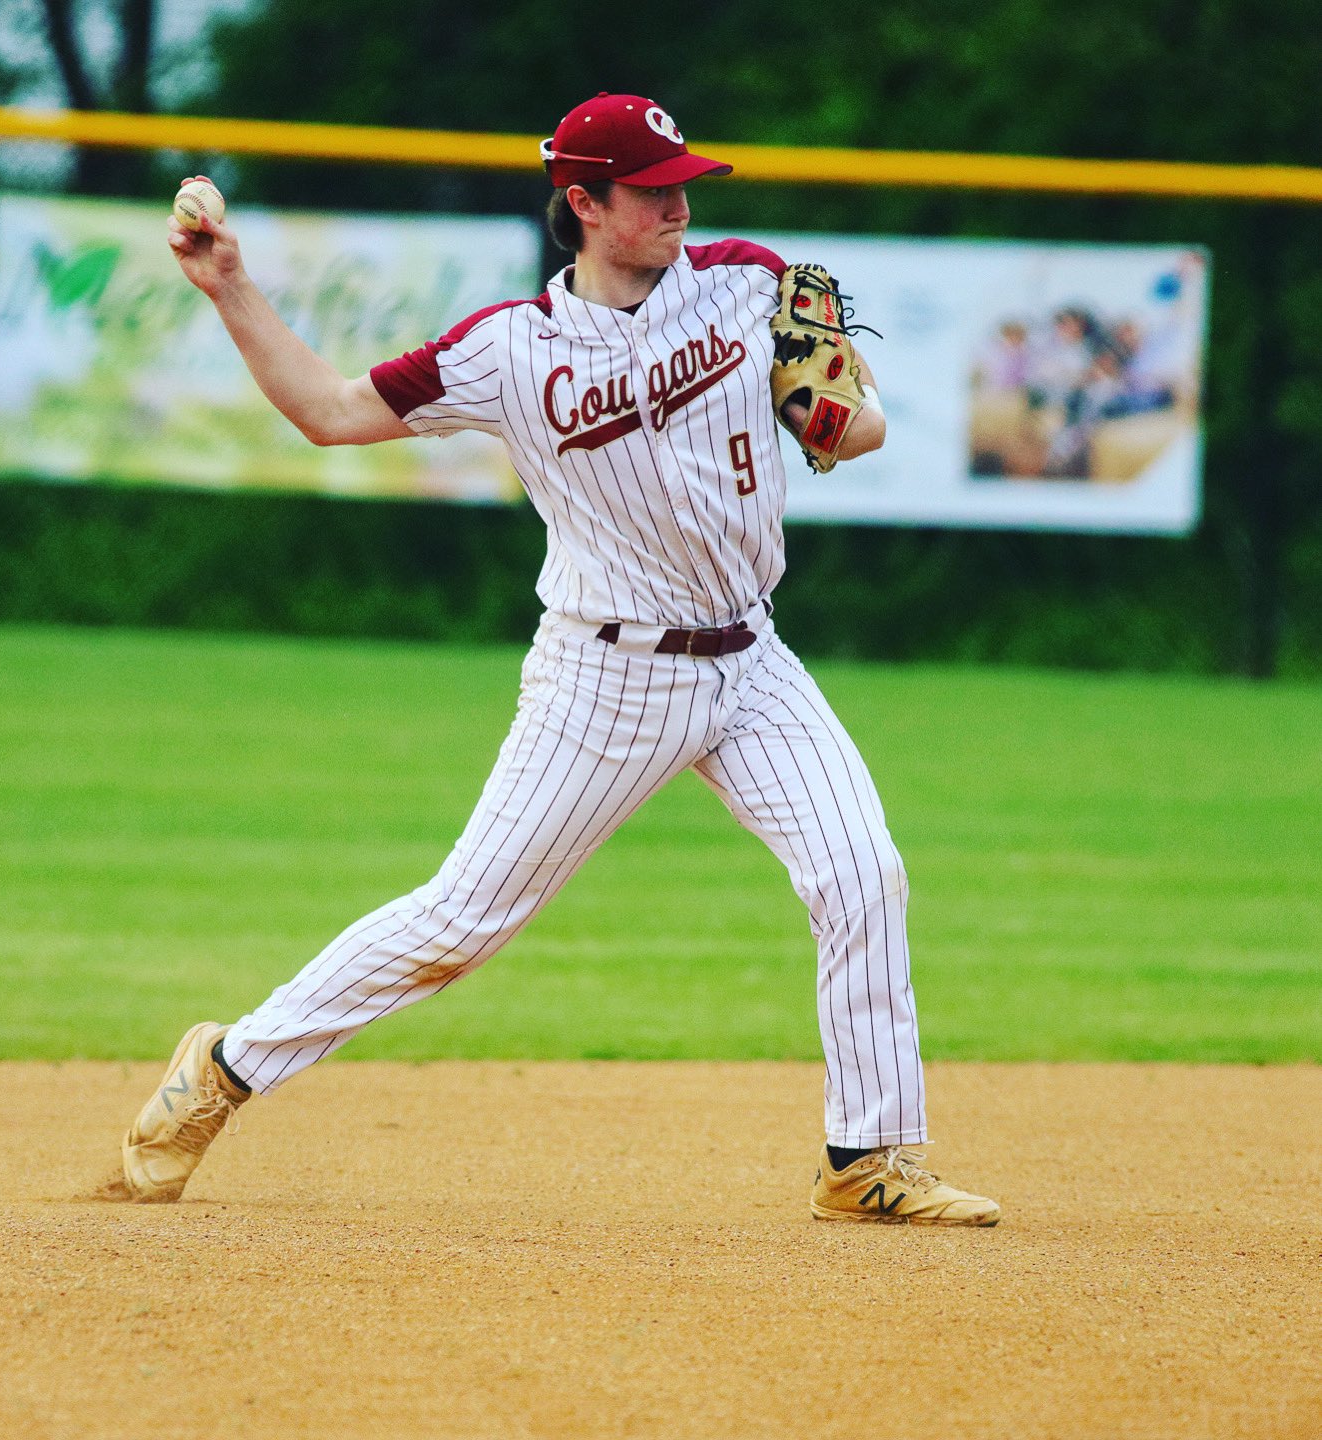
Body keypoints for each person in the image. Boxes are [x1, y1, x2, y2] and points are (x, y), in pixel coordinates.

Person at [105, 93, 1000, 1227]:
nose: (679, 206)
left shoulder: (746, 282)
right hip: (605, 679)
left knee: (862, 873)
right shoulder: (505, 350)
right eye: (652, 191)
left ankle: (865, 1159)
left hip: (753, 661)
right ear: (583, 202)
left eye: (684, 185)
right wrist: (229, 285)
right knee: (457, 925)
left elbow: (850, 431)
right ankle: (224, 1068)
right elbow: (330, 413)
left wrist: (845, 406)